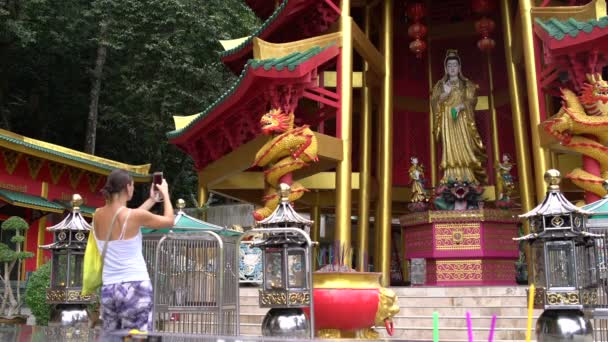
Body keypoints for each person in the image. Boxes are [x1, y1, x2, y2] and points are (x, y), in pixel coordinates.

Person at [94, 169, 174, 334]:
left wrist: (152, 200)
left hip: (109, 288)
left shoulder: (97, 215)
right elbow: (169, 221)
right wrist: (165, 194)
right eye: (133, 186)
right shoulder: (132, 216)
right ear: (127, 187)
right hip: (135, 287)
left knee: (113, 338)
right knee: (138, 337)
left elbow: (130, 217)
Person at [431, 49, 487, 185]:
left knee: (464, 146)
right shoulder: (440, 85)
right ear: (445, 68)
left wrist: (461, 106)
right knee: (449, 147)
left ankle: (467, 176)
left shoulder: (466, 84)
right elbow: (435, 101)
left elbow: (472, 99)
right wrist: (445, 94)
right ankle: (450, 177)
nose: (452, 68)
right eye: (449, 66)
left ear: (459, 67)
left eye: (454, 65)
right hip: (447, 119)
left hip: (461, 118)